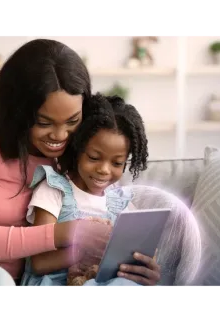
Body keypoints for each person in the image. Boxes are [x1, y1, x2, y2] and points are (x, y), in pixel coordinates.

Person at [0, 38, 161, 288]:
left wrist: (131, 268)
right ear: (18, 111)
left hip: (7, 284)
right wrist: (69, 233)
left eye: (72, 121)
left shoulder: (77, 160)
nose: (59, 136)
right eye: (44, 122)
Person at [20, 93, 162, 288]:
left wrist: (146, 271)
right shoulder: (55, 190)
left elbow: (134, 256)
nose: (104, 169)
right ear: (78, 149)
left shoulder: (121, 202)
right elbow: (39, 262)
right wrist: (85, 249)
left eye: (117, 163)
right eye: (94, 158)